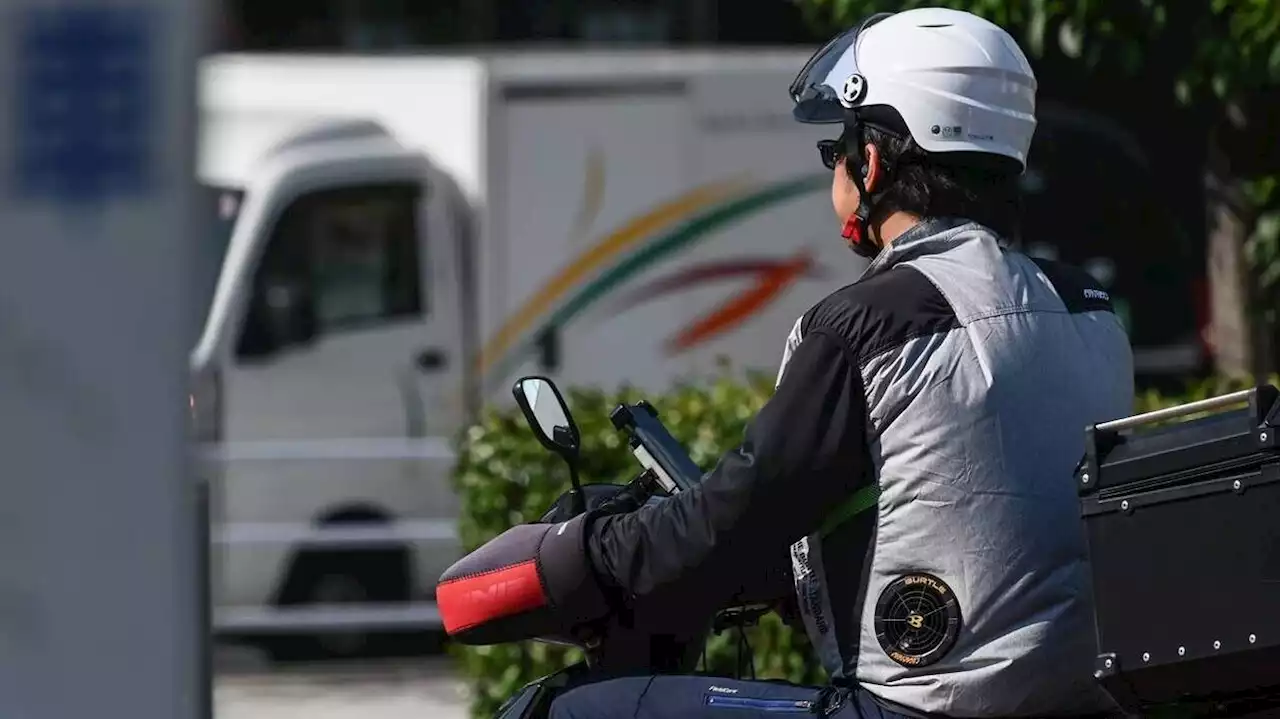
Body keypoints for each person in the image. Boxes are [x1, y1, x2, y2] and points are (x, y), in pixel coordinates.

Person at [486, 7, 1136, 718]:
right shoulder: (1089, 309)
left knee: (559, 712)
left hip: (919, 706)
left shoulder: (864, 326)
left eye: (838, 150)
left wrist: (588, 554)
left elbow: (733, 515)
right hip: (1083, 698)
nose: (836, 172)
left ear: (876, 161)